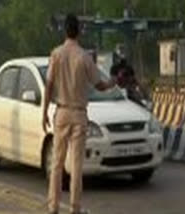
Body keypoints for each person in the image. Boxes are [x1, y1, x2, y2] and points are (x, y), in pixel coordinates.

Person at [42, 14, 116, 214]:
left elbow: (49, 85)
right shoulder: (84, 57)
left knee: (56, 164)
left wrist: (43, 113)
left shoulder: (56, 55)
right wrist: (113, 82)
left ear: (65, 31)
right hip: (79, 115)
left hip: (62, 113)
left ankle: (53, 207)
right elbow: (99, 85)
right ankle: (75, 208)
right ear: (79, 31)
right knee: (76, 166)